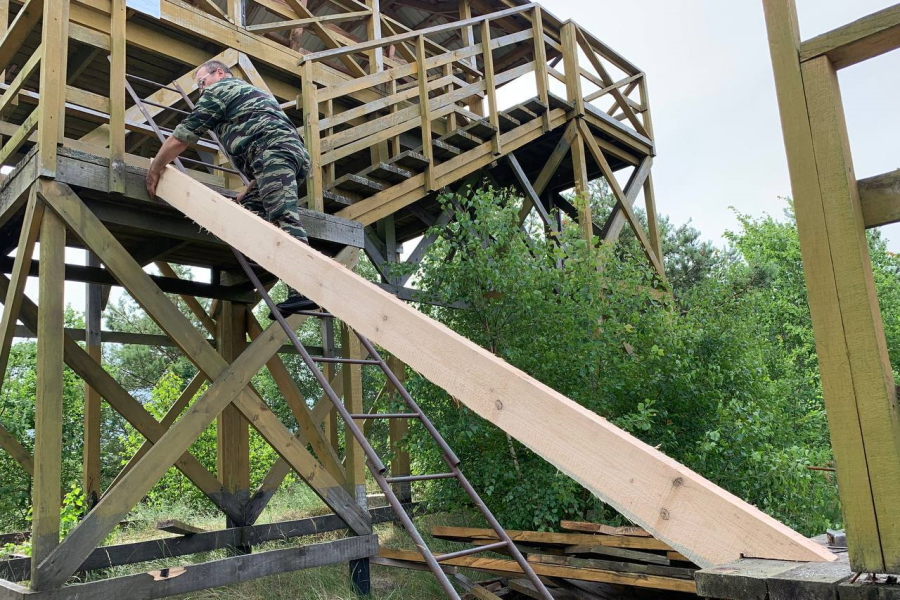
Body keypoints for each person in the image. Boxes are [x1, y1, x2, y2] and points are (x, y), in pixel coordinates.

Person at [145, 60, 317, 317]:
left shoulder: (220, 90)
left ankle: (303, 290)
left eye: (202, 82)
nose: (201, 90)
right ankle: (280, 268)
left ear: (220, 73)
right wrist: (252, 187)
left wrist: (155, 168)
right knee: (249, 212)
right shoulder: (249, 94)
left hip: (274, 155)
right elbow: (266, 130)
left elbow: (184, 134)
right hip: (283, 156)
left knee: (283, 215)